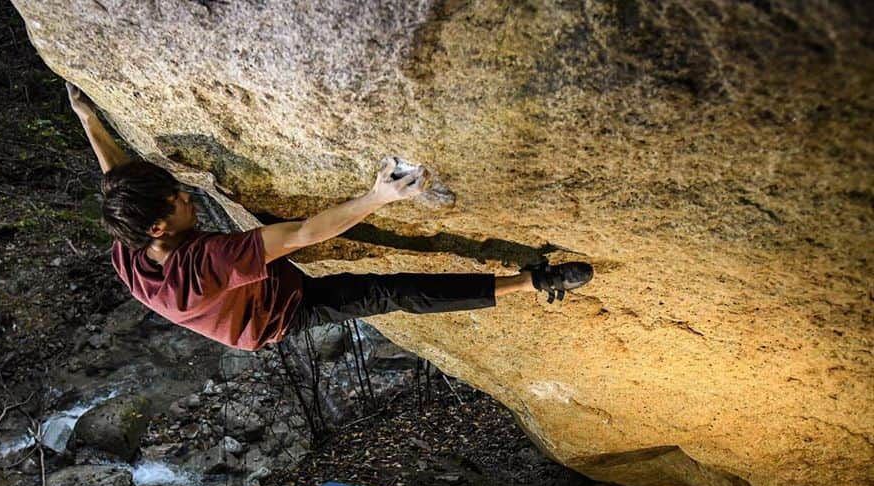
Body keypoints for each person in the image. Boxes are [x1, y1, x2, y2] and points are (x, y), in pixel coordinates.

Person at [67, 82, 593, 352]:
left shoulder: (130, 242)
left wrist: (88, 118)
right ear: (158, 228)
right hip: (278, 315)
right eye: (177, 199)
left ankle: (529, 280)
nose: (186, 193)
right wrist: (379, 197)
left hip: (246, 291)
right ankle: (533, 281)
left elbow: (117, 180)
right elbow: (303, 233)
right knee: (389, 293)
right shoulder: (208, 263)